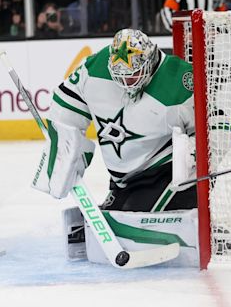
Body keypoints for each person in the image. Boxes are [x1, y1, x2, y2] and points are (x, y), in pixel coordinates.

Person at [32, 29, 197, 212]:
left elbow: (216, 122)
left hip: (165, 175)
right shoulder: (96, 67)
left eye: (133, 75)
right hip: (122, 182)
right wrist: (64, 144)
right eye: (121, 76)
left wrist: (193, 153)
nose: (127, 83)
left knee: (131, 221)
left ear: (149, 62)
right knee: (113, 218)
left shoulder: (180, 80)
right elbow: (67, 100)